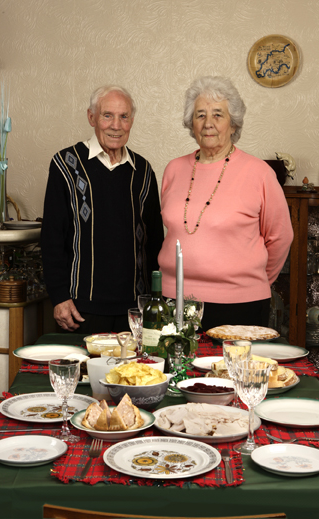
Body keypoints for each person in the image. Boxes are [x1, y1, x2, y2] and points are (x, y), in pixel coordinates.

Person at [158, 76, 293, 331]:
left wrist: (252, 282)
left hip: (241, 304)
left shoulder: (259, 172)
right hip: (174, 300)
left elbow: (280, 236)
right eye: (200, 115)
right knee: (176, 370)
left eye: (218, 115)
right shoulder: (174, 169)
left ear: (233, 124)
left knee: (233, 372)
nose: (208, 123)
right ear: (191, 124)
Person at [41, 85, 164, 333]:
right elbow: (52, 237)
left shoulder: (143, 171)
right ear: (92, 117)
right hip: (80, 308)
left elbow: (155, 243)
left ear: (131, 121)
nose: (116, 125)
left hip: (135, 310)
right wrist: (59, 296)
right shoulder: (65, 165)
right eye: (107, 115)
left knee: (138, 372)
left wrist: (154, 299)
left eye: (124, 116)